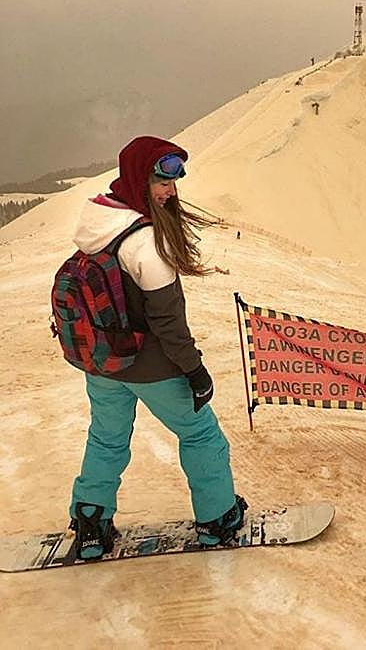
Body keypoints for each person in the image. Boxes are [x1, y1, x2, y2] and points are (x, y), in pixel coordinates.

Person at [68, 135, 246, 560]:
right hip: (150, 367)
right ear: (137, 178)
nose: (169, 190)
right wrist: (195, 371)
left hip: (103, 362)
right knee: (201, 434)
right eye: (160, 180)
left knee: (107, 439)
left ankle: (92, 525)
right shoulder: (144, 241)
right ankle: (217, 519)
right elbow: (168, 321)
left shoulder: (99, 220)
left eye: (174, 180)